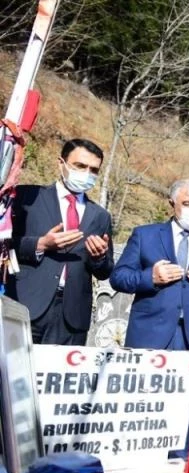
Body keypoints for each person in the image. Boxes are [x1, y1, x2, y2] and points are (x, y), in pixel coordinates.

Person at [110, 179, 189, 456]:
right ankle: (138, 456)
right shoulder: (145, 235)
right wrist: (150, 277)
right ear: (172, 204)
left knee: (186, 404)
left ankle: (179, 461)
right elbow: (119, 277)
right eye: (188, 203)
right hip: (149, 333)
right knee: (142, 399)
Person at [8, 138, 114, 345]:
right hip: (25, 304)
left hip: (71, 317)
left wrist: (99, 258)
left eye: (93, 170)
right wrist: (40, 244)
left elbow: (105, 271)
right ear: (61, 163)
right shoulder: (28, 197)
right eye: (80, 166)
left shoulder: (100, 216)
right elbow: (5, 245)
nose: (86, 173)